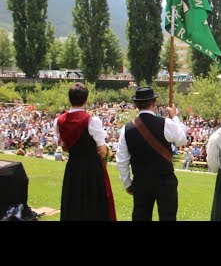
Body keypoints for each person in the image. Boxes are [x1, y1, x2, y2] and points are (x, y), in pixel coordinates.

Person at [115, 86, 187, 221]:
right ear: (154, 103)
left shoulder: (127, 128)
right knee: (168, 217)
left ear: (136, 105)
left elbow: (121, 160)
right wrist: (175, 118)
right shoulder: (166, 123)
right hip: (165, 180)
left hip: (141, 181)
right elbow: (182, 139)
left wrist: (127, 183)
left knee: (140, 217)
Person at [54, 82, 116, 221]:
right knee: (93, 204)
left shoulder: (59, 121)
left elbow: (64, 147)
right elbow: (102, 150)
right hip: (91, 168)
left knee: (73, 203)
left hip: (73, 167)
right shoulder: (92, 121)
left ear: (69, 99)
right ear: (86, 100)